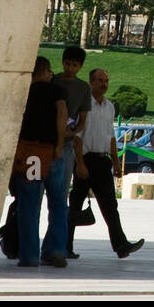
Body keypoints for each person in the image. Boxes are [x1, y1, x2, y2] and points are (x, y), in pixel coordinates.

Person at [67, 68, 144, 260]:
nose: (104, 84)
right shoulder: (83, 106)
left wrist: (116, 163)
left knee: (110, 205)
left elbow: (111, 137)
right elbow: (76, 137)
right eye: (100, 80)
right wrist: (80, 164)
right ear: (91, 82)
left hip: (103, 161)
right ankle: (64, 245)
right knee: (74, 206)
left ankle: (121, 245)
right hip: (85, 160)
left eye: (106, 80)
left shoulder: (109, 107)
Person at [11, 56, 68, 269]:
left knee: (29, 203)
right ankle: (56, 249)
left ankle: (29, 255)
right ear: (45, 71)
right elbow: (62, 113)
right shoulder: (57, 91)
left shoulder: (23, 91)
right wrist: (60, 145)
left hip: (30, 153)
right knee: (58, 203)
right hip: (52, 151)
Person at [54, 45, 91, 198]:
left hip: (67, 143)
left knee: (62, 192)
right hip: (47, 140)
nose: (70, 68)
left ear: (80, 66)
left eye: (75, 65)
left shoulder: (83, 88)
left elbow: (82, 120)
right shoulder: (53, 81)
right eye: (68, 64)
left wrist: (72, 131)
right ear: (63, 62)